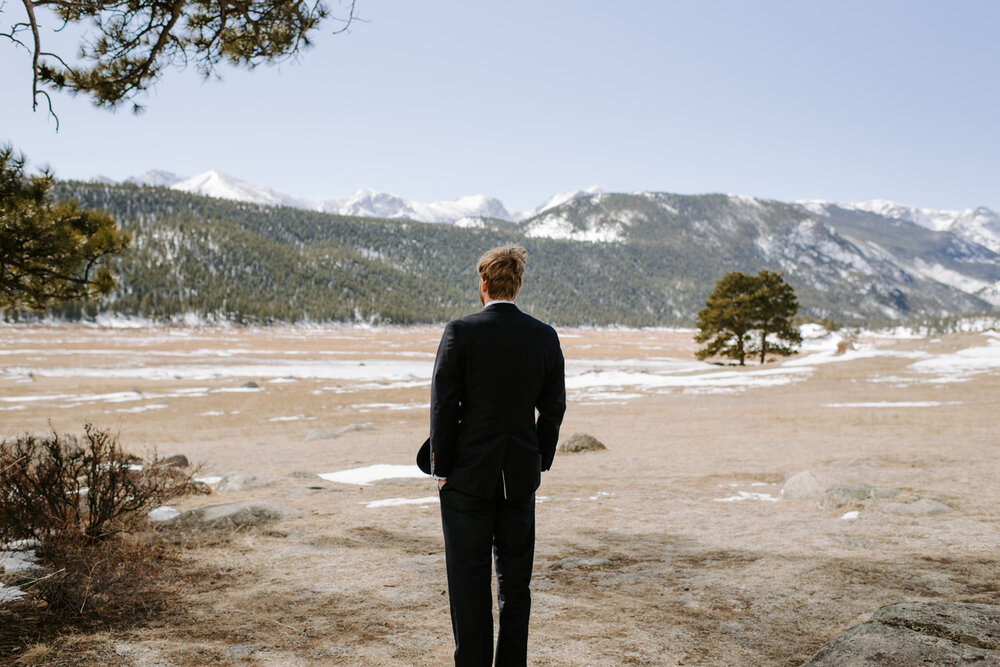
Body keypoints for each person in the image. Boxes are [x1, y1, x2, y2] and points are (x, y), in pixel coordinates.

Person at [429, 246, 566, 667]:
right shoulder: (544, 335)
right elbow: (554, 406)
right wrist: (537, 458)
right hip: (519, 478)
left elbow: (443, 405)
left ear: (483, 285)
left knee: (468, 584)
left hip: (467, 480)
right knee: (516, 585)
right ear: (517, 284)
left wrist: (442, 469)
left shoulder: (461, 331)